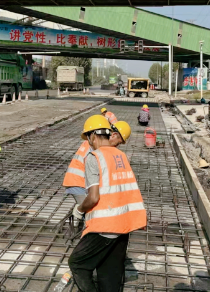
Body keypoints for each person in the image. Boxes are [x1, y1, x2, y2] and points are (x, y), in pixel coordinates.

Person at [68, 116, 146, 292]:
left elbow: (93, 197)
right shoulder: (121, 155)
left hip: (105, 226)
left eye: (88, 137)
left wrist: (79, 210)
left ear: (93, 136)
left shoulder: (94, 158)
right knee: (109, 274)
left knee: (77, 264)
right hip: (124, 224)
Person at [62, 117, 131, 204]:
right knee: (88, 210)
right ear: (113, 135)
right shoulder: (95, 145)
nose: (117, 146)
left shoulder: (95, 142)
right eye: (118, 143)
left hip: (81, 181)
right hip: (78, 182)